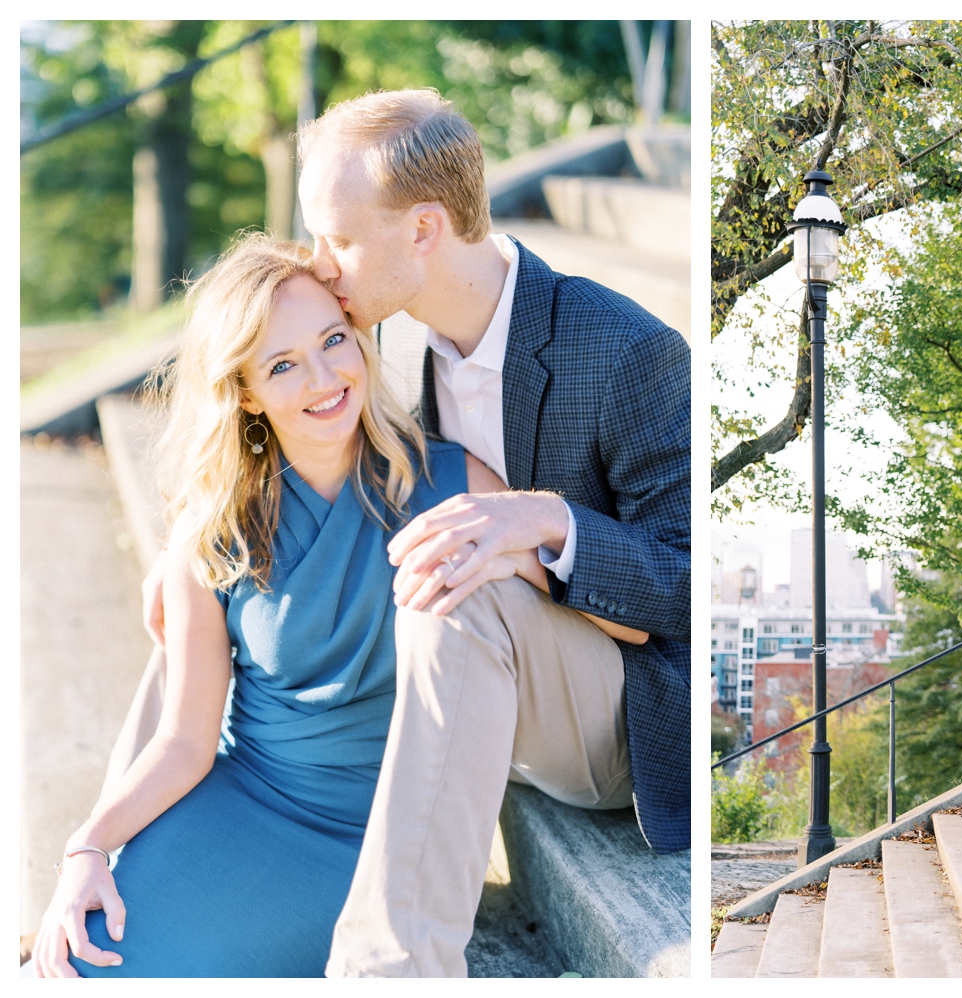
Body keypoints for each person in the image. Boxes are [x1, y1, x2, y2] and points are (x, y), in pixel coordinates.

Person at [122, 89, 690, 977]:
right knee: (203, 617)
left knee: (453, 593)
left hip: (613, 710)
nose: (319, 262)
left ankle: (396, 973)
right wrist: (192, 546)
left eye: (337, 238)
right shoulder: (378, 332)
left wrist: (551, 523)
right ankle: (112, 864)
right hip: (461, 688)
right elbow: (285, 417)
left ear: (423, 230)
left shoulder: (625, 351)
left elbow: (693, 589)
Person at [29, 237, 644, 977]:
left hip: (376, 839)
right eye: (283, 364)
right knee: (78, 970)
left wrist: (531, 551)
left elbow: (604, 619)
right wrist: (86, 846)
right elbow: (186, 742)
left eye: (333, 340)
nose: (324, 379)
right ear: (246, 392)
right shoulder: (214, 527)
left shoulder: (452, 481)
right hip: (239, 796)